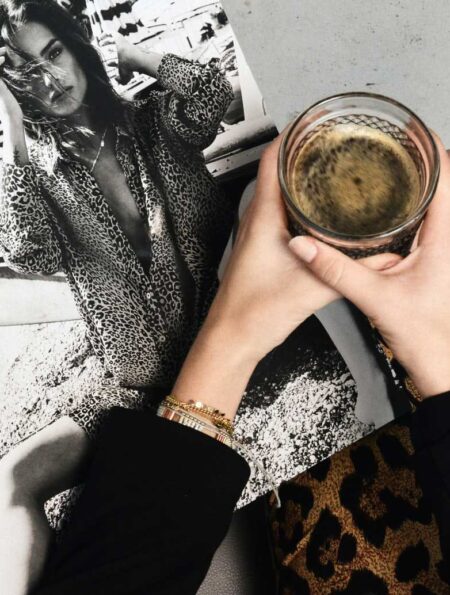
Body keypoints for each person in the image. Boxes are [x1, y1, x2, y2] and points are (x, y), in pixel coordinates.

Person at [21, 129, 450, 594]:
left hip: (194, 365)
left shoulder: (152, 124)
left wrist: (230, 341)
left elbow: (203, 104)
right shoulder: (53, 179)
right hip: (155, 378)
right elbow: (28, 248)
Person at [0, 0, 234, 590]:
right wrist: (14, 135)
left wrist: (130, 53)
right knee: (11, 479)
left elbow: (214, 95)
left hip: (218, 342)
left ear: (76, 45)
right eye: (27, 72)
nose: (50, 80)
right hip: (133, 390)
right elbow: (27, 253)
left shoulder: (154, 118)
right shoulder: (43, 179)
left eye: (54, 52)